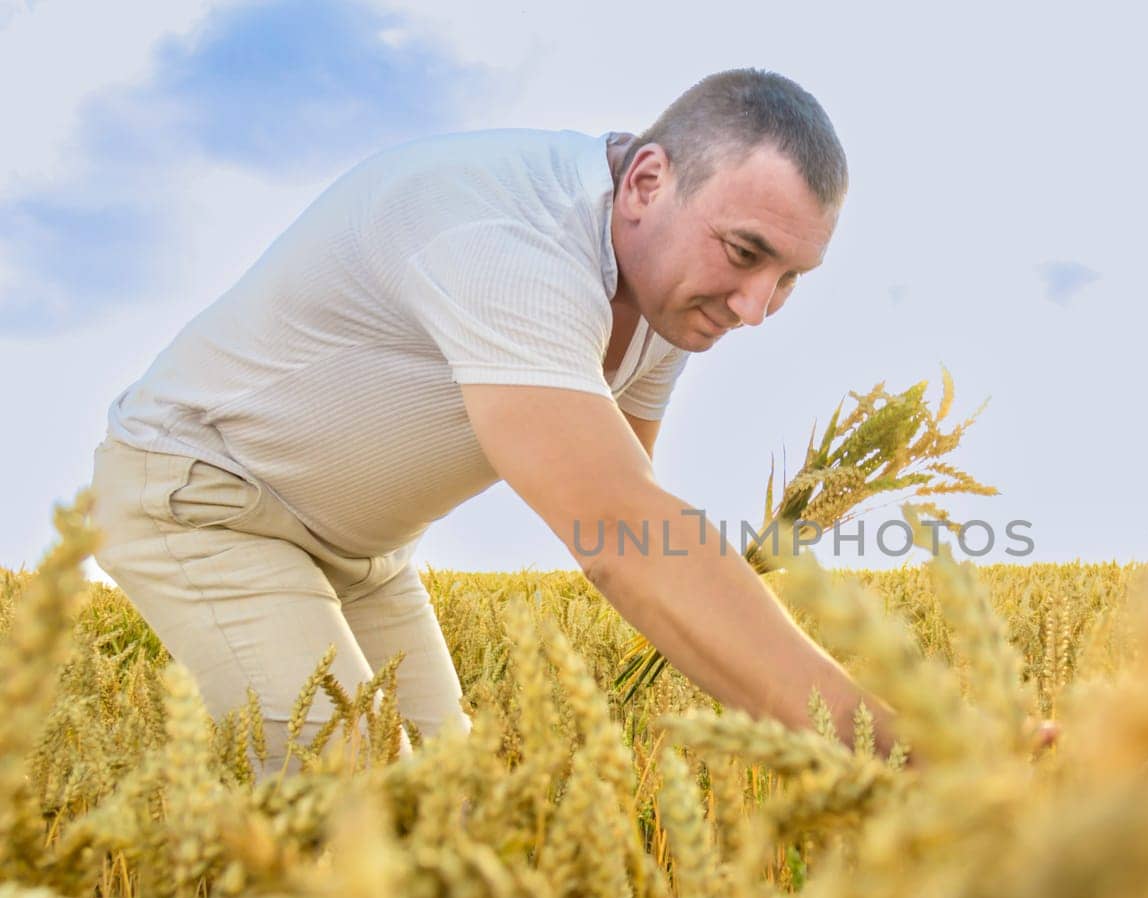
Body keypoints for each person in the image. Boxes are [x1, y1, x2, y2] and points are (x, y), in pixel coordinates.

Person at [88, 67, 910, 777]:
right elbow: (620, 532)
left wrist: (841, 737)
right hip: (203, 498)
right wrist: (890, 747)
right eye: (744, 252)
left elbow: (643, 544)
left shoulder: (674, 298)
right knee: (358, 811)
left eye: (788, 277)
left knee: (457, 805)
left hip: (362, 551)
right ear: (648, 181)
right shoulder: (505, 236)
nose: (755, 308)